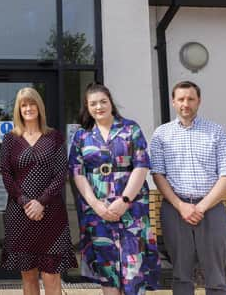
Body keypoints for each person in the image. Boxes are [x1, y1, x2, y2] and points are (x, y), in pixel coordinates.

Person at [69, 83, 160, 295]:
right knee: (107, 272)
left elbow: (141, 165)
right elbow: (77, 173)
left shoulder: (130, 129)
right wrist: (96, 205)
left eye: (103, 101)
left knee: (133, 271)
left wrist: (125, 200)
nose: (99, 107)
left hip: (131, 211)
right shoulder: (82, 136)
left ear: (111, 103)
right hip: (97, 213)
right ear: (87, 107)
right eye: (93, 104)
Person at [150, 81, 226, 295]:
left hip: (212, 208)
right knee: (181, 274)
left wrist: (200, 207)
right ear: (173, 102)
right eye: (181, 99)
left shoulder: (216, 131)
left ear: (199, 101)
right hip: (175, 208)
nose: (185, 103)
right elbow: (158, 175)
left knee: (216, 276)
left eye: (191, 99)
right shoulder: (161, 134)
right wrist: (181, 206)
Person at [0, 87, 77, 295]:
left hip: (51, 214)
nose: (28, 108)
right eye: (23, 105)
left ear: (39, 107)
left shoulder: (55, 137)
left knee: (52, 275)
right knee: (28, 275)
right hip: (20, 214)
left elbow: (61, 173)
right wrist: (25, 202)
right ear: (18, 109)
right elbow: (6, 174)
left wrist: (41, 202)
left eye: (32, 103)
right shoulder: (10, 139)